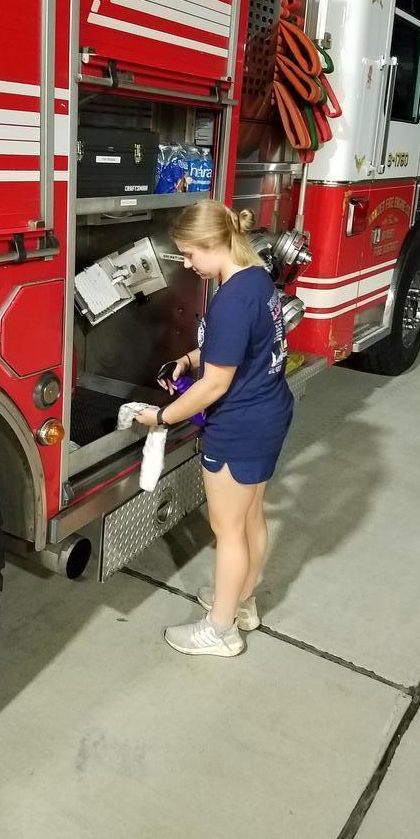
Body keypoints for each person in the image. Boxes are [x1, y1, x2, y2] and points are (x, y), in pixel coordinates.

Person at [135, 199, 294, 657]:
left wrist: (161, 416)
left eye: (190, 254)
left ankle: (220, 630)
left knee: (228, 531)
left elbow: (215, 385)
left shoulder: (232, 299)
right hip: (268, 413)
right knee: (249, 518)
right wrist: (188, 359)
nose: (187, 264)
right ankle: (241, 605)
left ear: (215, 243)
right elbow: (238, 348)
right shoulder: (256, 277)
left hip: (240, 424)